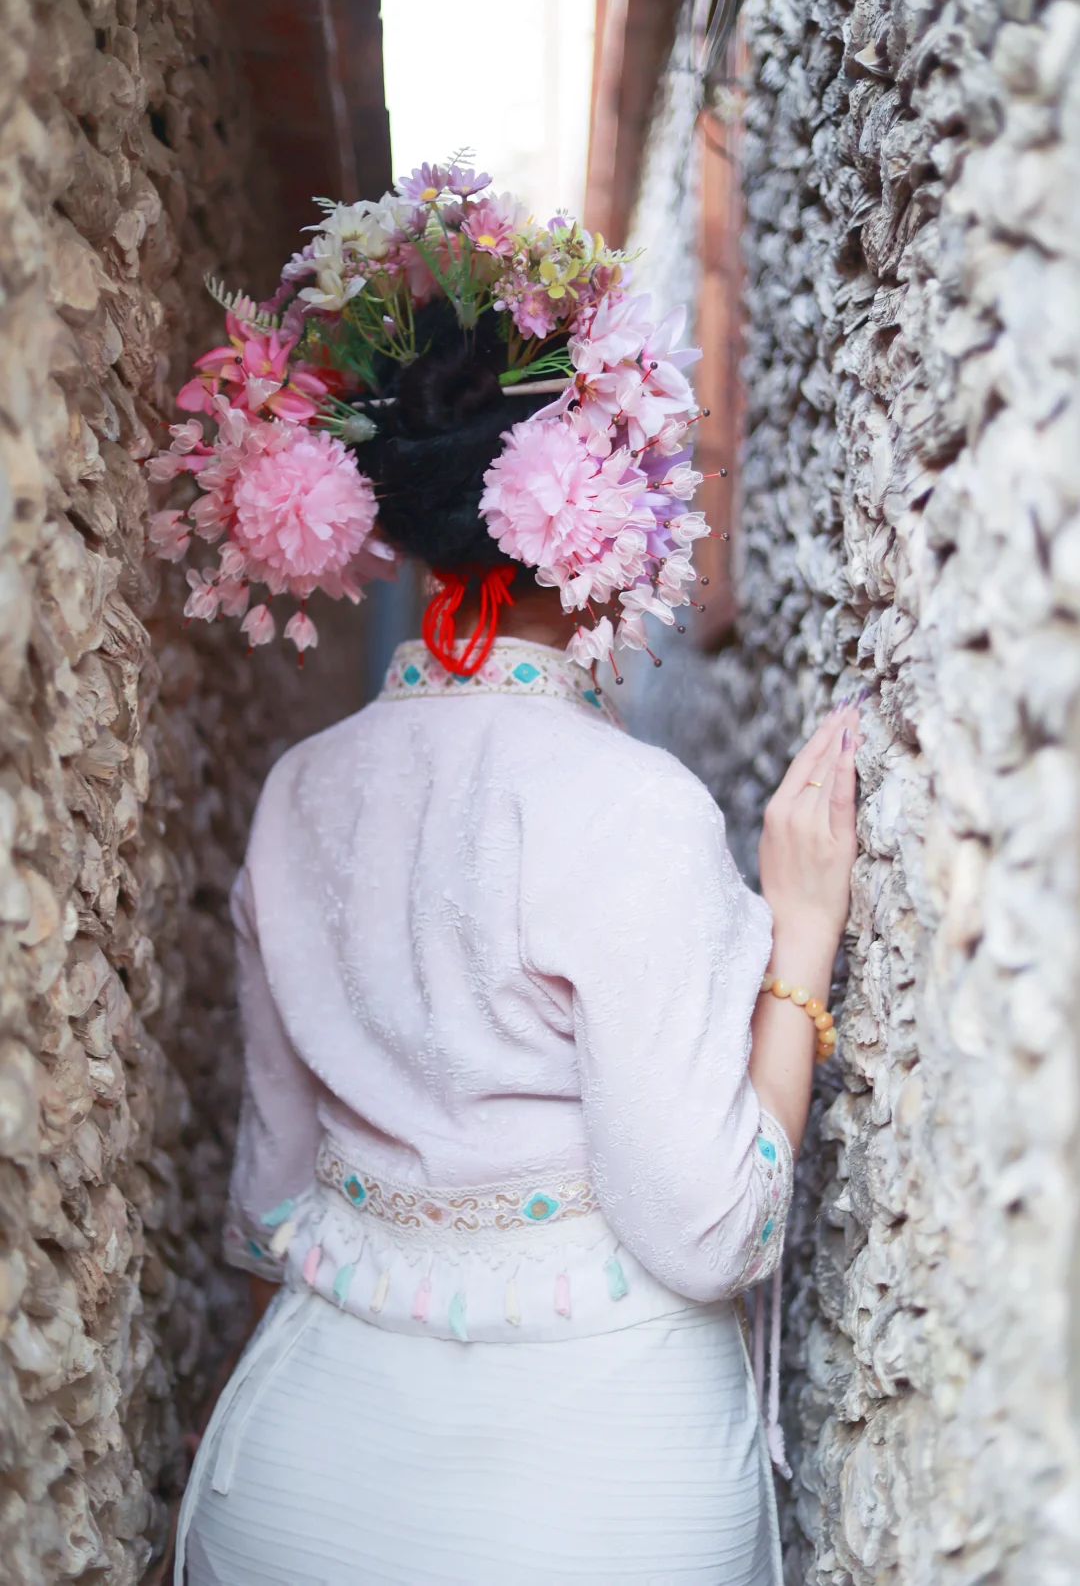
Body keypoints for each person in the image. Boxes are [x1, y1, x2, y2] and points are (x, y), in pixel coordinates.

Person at [164, 169, 860, 1585]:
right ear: (594, 508)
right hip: (598, 1490)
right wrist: (800, 947)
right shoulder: (633, 807)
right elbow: (712, 1226)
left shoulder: (303, 795)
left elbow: (276, 1195)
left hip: (303, 1473)